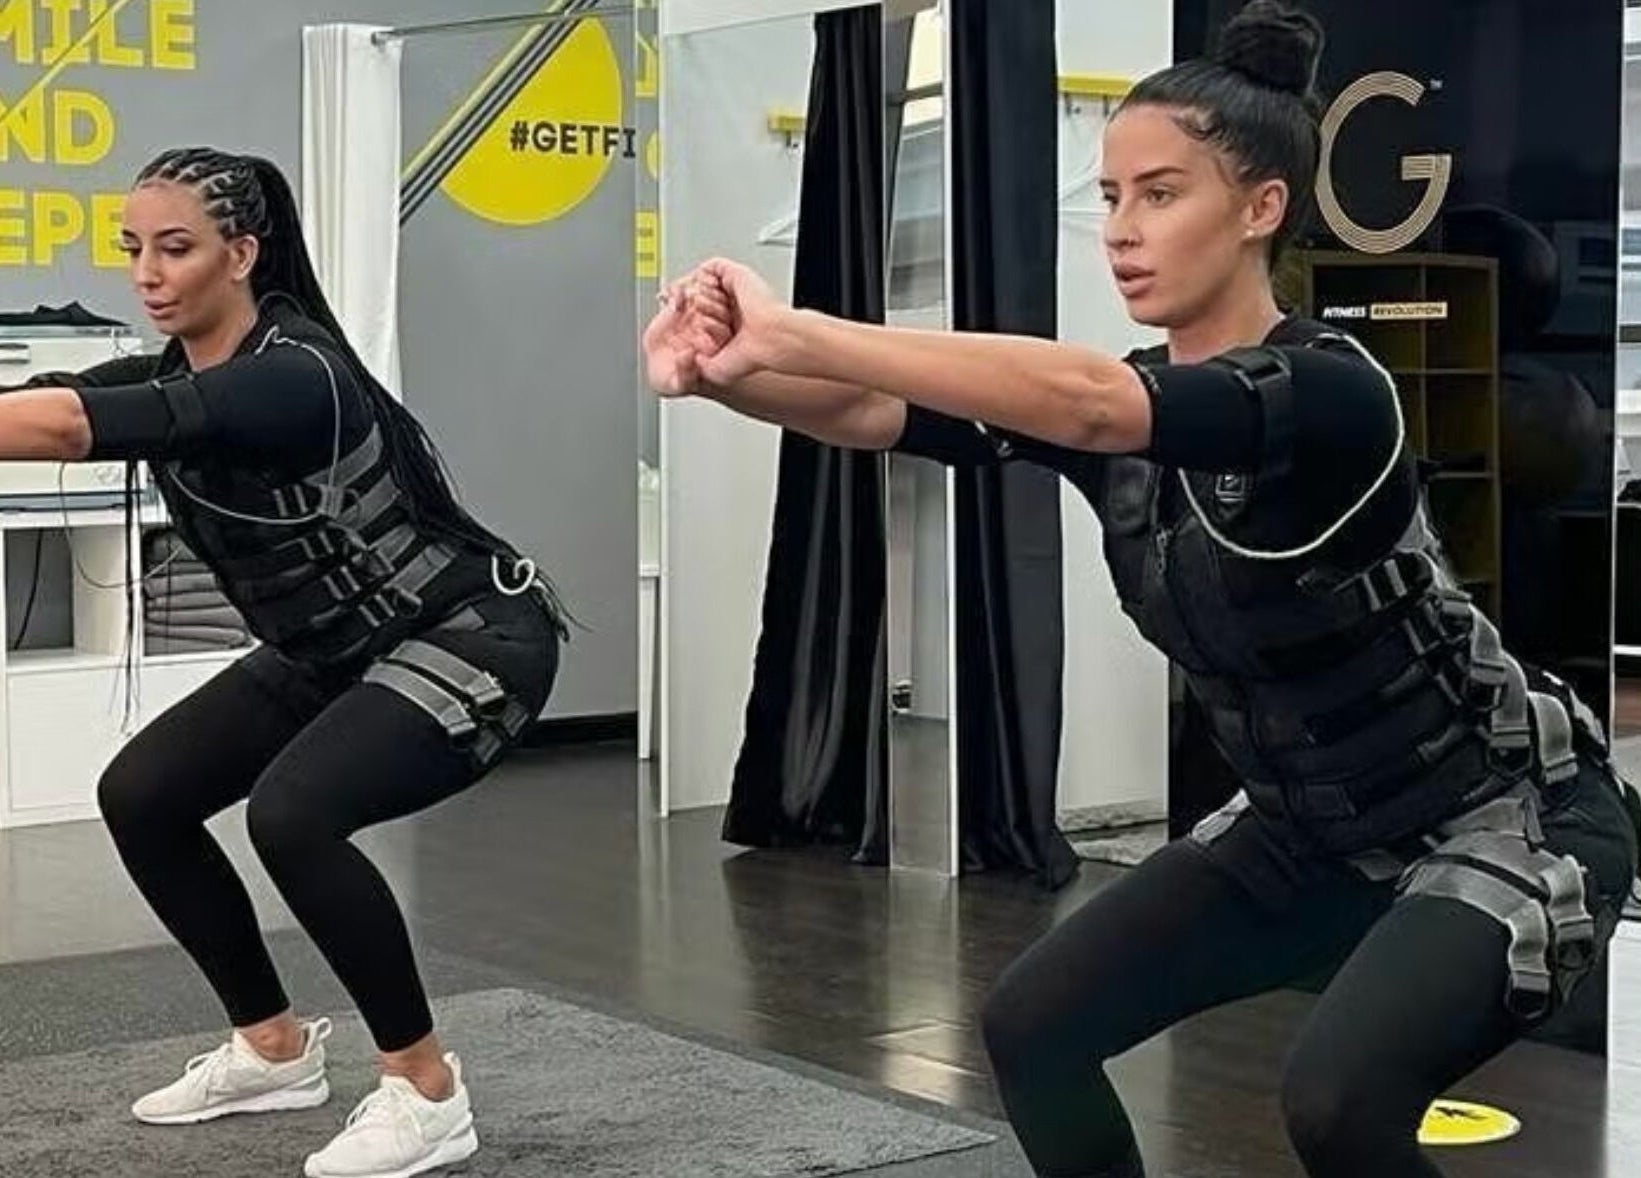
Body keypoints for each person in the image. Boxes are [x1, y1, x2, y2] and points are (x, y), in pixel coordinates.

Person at [641, 3, 1641, 1175]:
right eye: (1112, 195)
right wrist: (727, 373)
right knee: (1035, 1025)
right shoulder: (1129, 404)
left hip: (1509, 812)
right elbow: (878, 412)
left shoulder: (1332, 392)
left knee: (1340, 1099)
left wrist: (802, 326)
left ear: (1260, 208)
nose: (1121, 228)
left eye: (1160, 194)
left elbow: (1089, 407)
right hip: (1307, 827)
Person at [1, 148, 566, 1178]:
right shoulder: (172, 372)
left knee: (295, 814)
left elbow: (80, 425)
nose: (148, 274)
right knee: (144, 794)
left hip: (471, 635)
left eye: (176, 248)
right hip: (332, 648)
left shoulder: (293, 373)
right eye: (133, 248)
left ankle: (426, 1090)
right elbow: (53, 399)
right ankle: (271, 1047)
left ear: (242, 253)